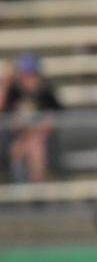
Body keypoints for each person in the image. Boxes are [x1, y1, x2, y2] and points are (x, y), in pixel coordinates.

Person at [2, 53, 62, 183]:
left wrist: (29, 139)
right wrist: (6, 84)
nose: (29, 79)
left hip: (43, 142)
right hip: (16, 139)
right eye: (25, 74)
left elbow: (53, 121)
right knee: (17, 150)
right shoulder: (14, 91)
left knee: (36, 147)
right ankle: (21, 190)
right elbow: (4, 112)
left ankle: (37, 190)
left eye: (32, 74)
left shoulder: (46, 93)